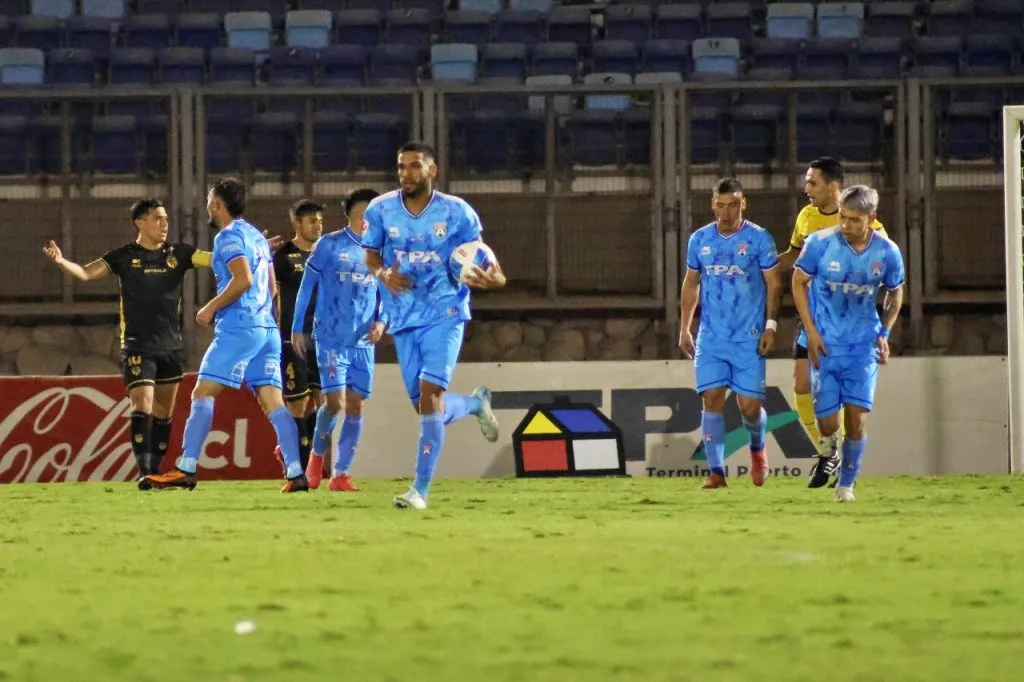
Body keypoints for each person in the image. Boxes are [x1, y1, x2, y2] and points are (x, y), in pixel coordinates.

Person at [362, 141, 505, 510]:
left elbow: (483, 258)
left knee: (430, 399)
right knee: (426, 408)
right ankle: (475, 404)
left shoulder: (456, 213)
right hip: (403, 316)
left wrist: (496, 280)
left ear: (432, 170)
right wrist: (383, 275)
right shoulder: (381, 210)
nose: (405, 173)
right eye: (401, 166)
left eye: (414, 166)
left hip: (445, 314)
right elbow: (372, 254)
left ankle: (419, 491)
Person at [141, 177, 308, 493]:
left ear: (217, 204)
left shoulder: (228, 237)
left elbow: (242, 279)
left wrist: (211, 308)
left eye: (208, 199)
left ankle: (186, 468)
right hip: (267, 329)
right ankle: (296, 472)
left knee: (202, 394)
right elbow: (271, 288)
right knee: (274, 403)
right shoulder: (256, 237)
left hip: (239, 328)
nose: (207, 205)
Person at [42, 198, 211, 485]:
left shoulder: (180, 254)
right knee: (141, 404)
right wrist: (60, 262)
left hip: (170, 346)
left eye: (166, 218)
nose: (164, 223)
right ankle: (144, 472)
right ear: (140, 223)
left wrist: (252, 250)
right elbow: (85, 273)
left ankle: (154, 473)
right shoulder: (124, 256)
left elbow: (214, 258)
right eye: (158, 218)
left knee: (163, 413)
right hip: (137, 345)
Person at [776, 157, 889, 488]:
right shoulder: (806, 217)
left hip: (849, 325)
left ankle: (836, 459)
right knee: (800, 385)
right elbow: (795, 256)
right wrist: (763, 264)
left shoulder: (868, 225)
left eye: (812, 182)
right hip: (813, 318)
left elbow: (883, 268)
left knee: (839, 396)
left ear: (833, 185)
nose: (806, 188)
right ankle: (828, 452)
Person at [791, 185, 905, 502]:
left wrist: (884, 334)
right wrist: (810, 332)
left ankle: (846, 487)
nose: (847, 226)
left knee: (856, 421)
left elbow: (896, 293)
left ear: (871, 218)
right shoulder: (819, 244)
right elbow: (798, 282)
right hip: (824, 344)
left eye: (855, 220)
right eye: (843, 218)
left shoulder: (887, 252)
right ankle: (829, 450)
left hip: (861, 347)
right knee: (827, 424)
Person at [679, 178, 782, 489]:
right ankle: (716, 473)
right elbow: (691, 283)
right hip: (712, 337)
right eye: (720, 205)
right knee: (711, 399)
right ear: (713, 205)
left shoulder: (759, 239)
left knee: (749, 408)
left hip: (749, 336)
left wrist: (770, 326)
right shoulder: (700, 240)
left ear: (743, 204)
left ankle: (757, 448)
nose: (726, 212)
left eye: (733, 205)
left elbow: (775, 284)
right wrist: (685, 326)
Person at [291, 188, 387, 491]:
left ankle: (341, 474)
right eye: (368, 213)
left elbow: (386, 292)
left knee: (356, 406)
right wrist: (296, 327)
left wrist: (382, 323)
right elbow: (307, 286)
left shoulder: (382, 250)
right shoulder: (330, 245)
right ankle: (315, 462)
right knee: (334, 402)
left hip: (363, 342)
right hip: (331, 337)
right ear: (355, 215)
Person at [271, 199, 325, 475]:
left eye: (319, 220)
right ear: (297, 224)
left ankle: (300, 457)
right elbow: (271, 296)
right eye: (312, 220)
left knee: (325, 404)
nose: (318, 225)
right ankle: (297, 467)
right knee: (298, 403)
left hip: (324, 340)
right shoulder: (282, 258)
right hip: (293, 340)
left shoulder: (325, 255)